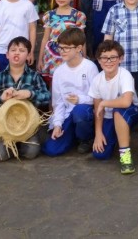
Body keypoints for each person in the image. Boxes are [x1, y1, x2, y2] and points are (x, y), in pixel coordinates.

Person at [0, 36, 50, 161]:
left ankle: (22, 142)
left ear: (28, 55)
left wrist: (30, 94)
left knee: (31, 153)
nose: (17, 53)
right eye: (13, 50)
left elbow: (46, 97)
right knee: (0, 156)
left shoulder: (34, 76)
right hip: (5, 125)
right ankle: (10, 142)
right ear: (7, 55)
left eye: (22, 50)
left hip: (27, 124)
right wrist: (1, 98)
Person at [41, 28, 100, 156]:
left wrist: (80, 99)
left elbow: (97, 97)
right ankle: (73, 135)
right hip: (67, 114)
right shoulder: (59, 72)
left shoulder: (90, 67)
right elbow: (58, 102)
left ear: (79, 48)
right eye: (60, 47)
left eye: (67, 48)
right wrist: (57, 124)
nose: (62, 51)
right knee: (51, 150)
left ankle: (86, 138)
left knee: (80, 111)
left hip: (85, 111)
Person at [89, 40, 138, 174]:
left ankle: (125, 156)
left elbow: (126, 102)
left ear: (120, 59)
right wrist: (98, 133)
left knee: (118, 111)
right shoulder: (97, 80)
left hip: (131, 111)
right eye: (104, 58)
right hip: (108, 116)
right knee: (100, 154)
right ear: (99, 60)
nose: (109, 61)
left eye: (113, 57)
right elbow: (98, 111)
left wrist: (104, 103)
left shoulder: (124, 75)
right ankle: (118, 136)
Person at [37, 0, 87, 74]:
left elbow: (82, 40)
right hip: (52, 54)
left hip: (71, 52)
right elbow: (45, 38)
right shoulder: (49, 15)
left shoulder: (78, 16)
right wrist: (40, 59)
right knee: (53, 78)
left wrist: (84, 58)